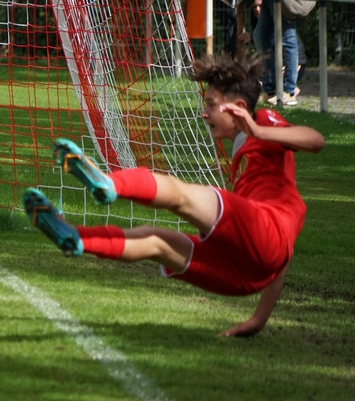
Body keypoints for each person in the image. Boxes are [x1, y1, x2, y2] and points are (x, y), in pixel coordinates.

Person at [23, 53, 324, 337]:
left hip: (261, 243)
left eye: (211, 104)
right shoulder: (248, 159)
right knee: (157, 243)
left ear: (240, 107)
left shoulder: (264, 122)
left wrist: (259, 131)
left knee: (180, 194)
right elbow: (282, 255)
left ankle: (108, 184)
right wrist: (258, 320)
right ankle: (76, 239)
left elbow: (315, 140)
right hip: (251, 275)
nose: (203, 112)